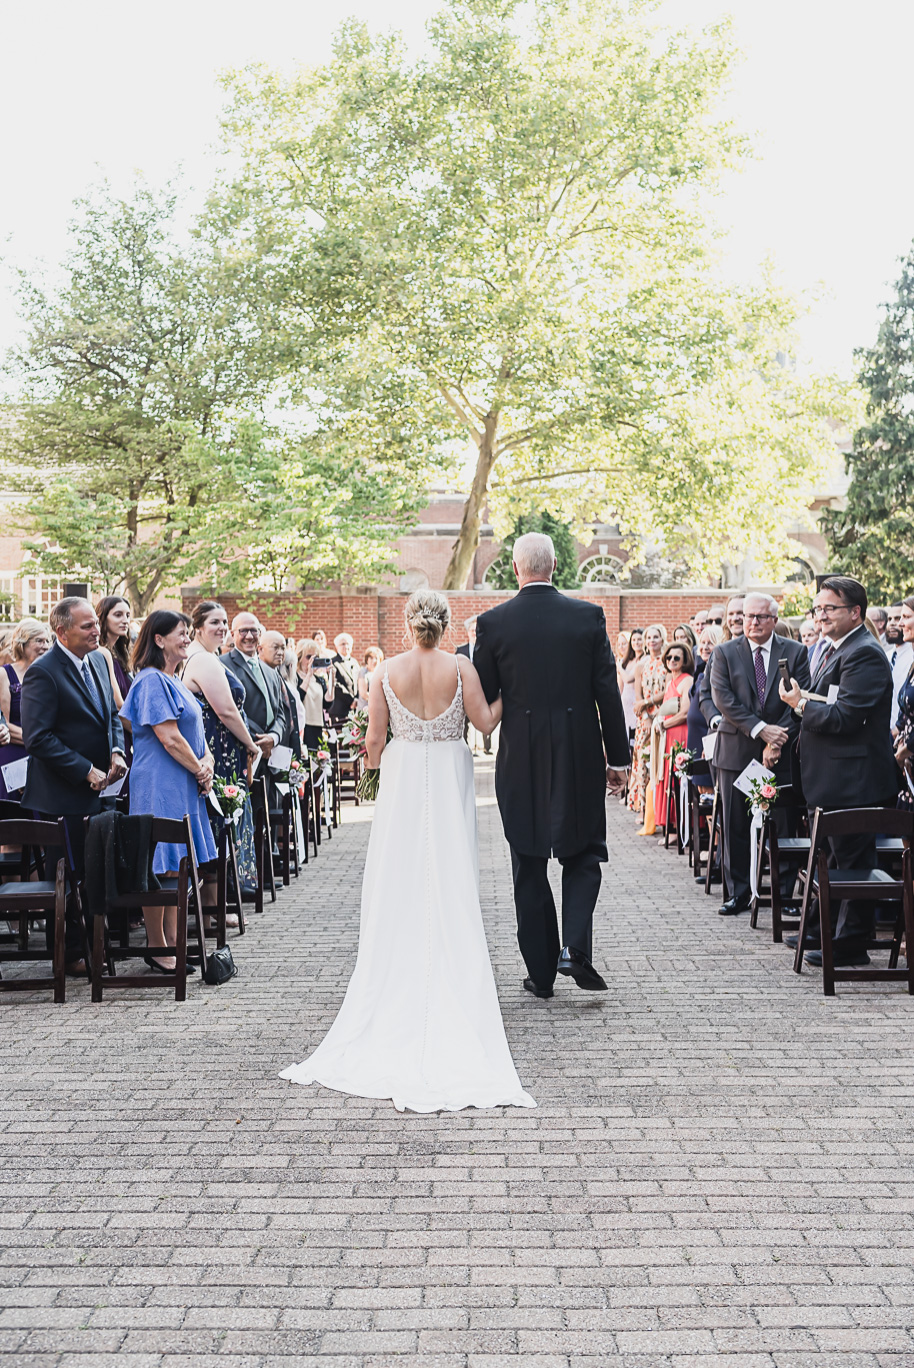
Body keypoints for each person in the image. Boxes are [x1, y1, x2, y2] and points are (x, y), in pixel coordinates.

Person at [280, 589, 534, 1113]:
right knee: (449, 873)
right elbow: (486, 723)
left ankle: (397, 969)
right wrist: (512, 688)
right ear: (442, 625)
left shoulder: (384, 672)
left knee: (400, 874)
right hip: (448, 771)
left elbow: (374, 741)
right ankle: (451, 971)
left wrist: (372, 773)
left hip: (402, 776)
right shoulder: (462, 668)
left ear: (407, 623)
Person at [474, 532, 630, 997]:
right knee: (583, 854)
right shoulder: (587, 617)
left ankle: (540, 974)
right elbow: (608, 692)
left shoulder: (493, 623)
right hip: (579, 750)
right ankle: (575, 950)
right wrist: (618, 758)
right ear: (556, 565)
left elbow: (484, 693)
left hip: (520, 754)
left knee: (528, 859)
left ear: (516, 569)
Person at [779, 576, 898, 967]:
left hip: (854, 783)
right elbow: (826, 699)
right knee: (829, 857)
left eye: (829, 609)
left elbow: (846, 716)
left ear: (855, 612)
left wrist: (800, 706)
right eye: (818, 609)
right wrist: (803, 699)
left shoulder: (863, 653)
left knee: (852, 863)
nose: (821, 616)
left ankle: (850, 943)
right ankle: (820, 928)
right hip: (831, 780)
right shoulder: (835, 649)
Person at [20, 597, 128, 971]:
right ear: (61, 631)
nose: (96, 630)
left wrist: (116, 751)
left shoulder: (99, 660)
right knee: (65, 877)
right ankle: (68, 955)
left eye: (96, 624)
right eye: (87, 626)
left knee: (95, 871)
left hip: (101, 789)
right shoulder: (43, 672)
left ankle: (98, 945)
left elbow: (112, 714)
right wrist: (85, 769)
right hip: (61, 794)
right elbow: (37, 738)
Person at [120, 611, 217, 974]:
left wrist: (206, 763)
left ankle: (175, 942)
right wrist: (198, 768)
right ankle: (157, 944)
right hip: (160, 782)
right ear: (158, 639)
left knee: (180, 865)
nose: (187, 638)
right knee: (160, 861)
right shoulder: (149, 681)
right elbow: (169, 736)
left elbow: (196, 735)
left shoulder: (174, 680)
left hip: (185, 780)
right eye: (181, 633)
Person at [709, 592, 809, 916]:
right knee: (735, 824)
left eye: (760, 617)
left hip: (781, 752)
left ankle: (784, 895)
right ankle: (739, 893)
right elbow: (724, 699)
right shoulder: (725, 652)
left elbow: (800, 700)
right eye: (747, 616)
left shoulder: (795, 651)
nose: (751, 622)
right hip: (736, 750)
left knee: (782, 822)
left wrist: (776, 740)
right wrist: (760, 730)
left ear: (774, 620)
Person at [182, 601, 262, 900]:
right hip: (220, 750)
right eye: (214, 622)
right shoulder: (203, 660)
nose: (222, 627)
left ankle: (222, 900)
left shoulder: (207, 657)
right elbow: (227, 711)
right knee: (218, 822)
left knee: (222, 822)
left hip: (224, 750)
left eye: (224, 621)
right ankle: (216, 904)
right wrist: (252, 744)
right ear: (198, 627)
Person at [0, 618, 50, 799]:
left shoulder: (48, 675)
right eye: (39, 641)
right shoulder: (5, 674)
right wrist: (39, 741)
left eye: (47, 641)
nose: (45, 646)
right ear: (22, 643)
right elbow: (3, 722)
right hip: (15, 753)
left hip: (45, 756)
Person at [223, 614, 283, 758]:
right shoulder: (222, 665)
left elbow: (280, 713)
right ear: (232, 634)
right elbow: (226, 710)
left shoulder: (271, 672)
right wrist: (258, 740)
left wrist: (273, 737)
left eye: (254, 631)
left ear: (260, 634)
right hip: (241, 754)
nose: (249, 636)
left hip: (271, 756)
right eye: (243, 631)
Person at [627, 624, 667, 830]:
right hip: (645, 720)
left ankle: (659, 811)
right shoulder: (641, 665)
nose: (651, 641)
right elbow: (637, 697)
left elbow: (668, 690)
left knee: (658, 764)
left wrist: (649, 705)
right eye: (648, 637)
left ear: (662, 639)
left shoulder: (667, 661)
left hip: (663, 715)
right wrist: (645, 714)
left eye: (655, 637)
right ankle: (643, 808)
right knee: (642, 763)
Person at [652, 641, 694, 830]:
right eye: (669, 657)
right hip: (667, 735)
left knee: (678, 778)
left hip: (679, 734)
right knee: (667, 778)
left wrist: (663, 724)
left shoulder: (687, 680)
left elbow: (685, 712)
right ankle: (670, 823)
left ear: (684, 660)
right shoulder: (670, 681)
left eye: (677, 657)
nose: (672, 660)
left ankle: (680, 826)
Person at [687, 625, 723, 757]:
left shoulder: (719, 672)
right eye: (703, 642)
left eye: (711, 643)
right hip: (694, 735)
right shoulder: (700, 669)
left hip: (707, 735)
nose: (705, 647)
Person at [457, 619, 492, 753]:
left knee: (484, 716)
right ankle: (467, 747)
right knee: (466, 721)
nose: (474, 633)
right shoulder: (461, 650)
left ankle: (486, 747)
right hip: (465, 690)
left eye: (476, 631)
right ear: (468, 633)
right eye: (472, 630)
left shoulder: (486, 650)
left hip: (482, 688)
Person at [95, 595, 133, 711]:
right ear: (102, 618)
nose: (125, 621)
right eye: (118, 615)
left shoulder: (121, 653)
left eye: (127, 615)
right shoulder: (100, 653)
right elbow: (117, 705)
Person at [296, 639, 331, 750]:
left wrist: (332, 678)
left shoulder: (319, 680)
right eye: (308, 657)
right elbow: (298, 697)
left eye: (315, 658)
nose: (312, 660)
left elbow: (327, 704)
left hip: (318, 725)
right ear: (300, 658)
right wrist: (309, 674)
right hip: (303, 725)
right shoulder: (295, 677)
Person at [884, 604, 912, 730]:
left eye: (899, 618)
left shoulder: (912, 657)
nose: (893, 624)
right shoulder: (886, 656)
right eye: (889, 619)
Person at [618, 628, 644, 739]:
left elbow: (628, 678)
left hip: (636, 700)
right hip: (625, 702)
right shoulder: (627, 661)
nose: (636, 643)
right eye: (633, 640)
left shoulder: (644, 660)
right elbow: (620, 686)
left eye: (639, 639)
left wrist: (618, 666)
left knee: (634, 736)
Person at [328, 633, 359, 722]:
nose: (346, 646)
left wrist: (356, 699)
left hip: (354, 709)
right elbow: (335, 684)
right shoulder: (333, 662)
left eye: (348, 644)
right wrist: (351, 700)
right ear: (337, 647)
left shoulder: (355, 662)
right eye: (343, 644)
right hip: (339, 709)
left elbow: (358, 682)